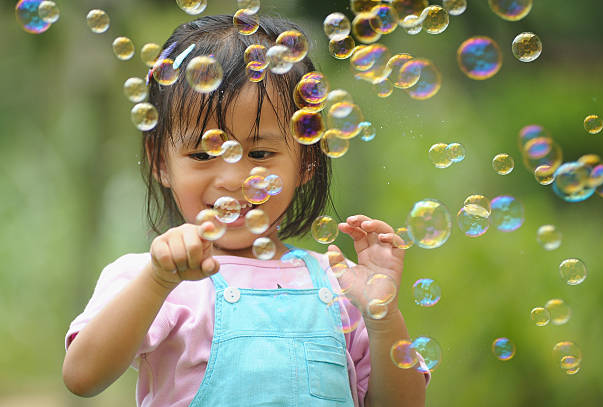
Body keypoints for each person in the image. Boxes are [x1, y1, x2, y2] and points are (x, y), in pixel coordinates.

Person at [62, 14, 428, 407]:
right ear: (161, 162)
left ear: (305, 160)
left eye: (259, 153)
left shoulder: (339, 284)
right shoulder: (150, 276)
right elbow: (82, 377)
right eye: (202, 154)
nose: (233, 178)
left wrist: (381, 315)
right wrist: (157, 282)